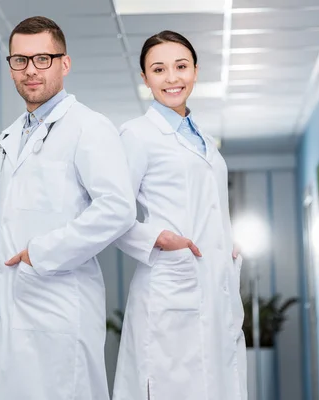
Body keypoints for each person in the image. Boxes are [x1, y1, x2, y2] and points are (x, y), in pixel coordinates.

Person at [0, 16, 136, 400]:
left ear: (65, 63)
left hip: (60, 305)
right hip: (8, 313)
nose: (30, 70)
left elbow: (117, 208)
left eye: (43, 59)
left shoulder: (89, 127)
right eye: (20, 60)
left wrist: (41, 253)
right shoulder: (9, 138)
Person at [112, 31, 247, 400]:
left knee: (219, 382)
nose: (172, 78)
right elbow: (110, 212)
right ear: (145, 78)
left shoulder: (202, 136)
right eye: (159, 69)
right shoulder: (137, 135)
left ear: (195, 71)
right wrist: (159, 239)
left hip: (214, 284)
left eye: (181, 66)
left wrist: (226, 242)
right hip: (172, 284)